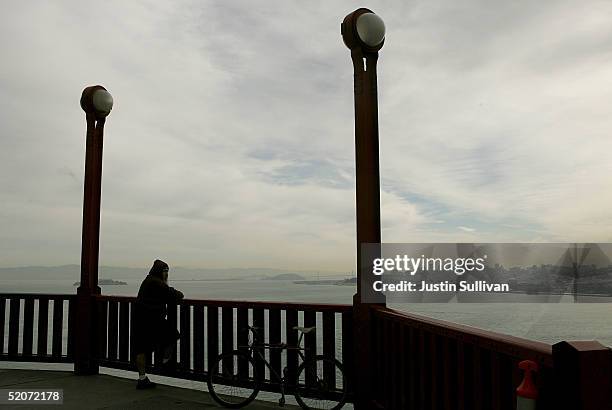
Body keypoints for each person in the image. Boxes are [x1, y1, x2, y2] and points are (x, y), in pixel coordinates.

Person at [133, 259, 184, 389]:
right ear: (158, 271)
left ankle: (142, 378)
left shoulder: (148, 280)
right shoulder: (156, 283)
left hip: (140, 319)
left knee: (141, 349)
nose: (166, 274)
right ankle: (164, 360)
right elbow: (174, 294)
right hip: (152, 320)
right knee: (173, 334)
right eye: (164, 271)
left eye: (167, 271)